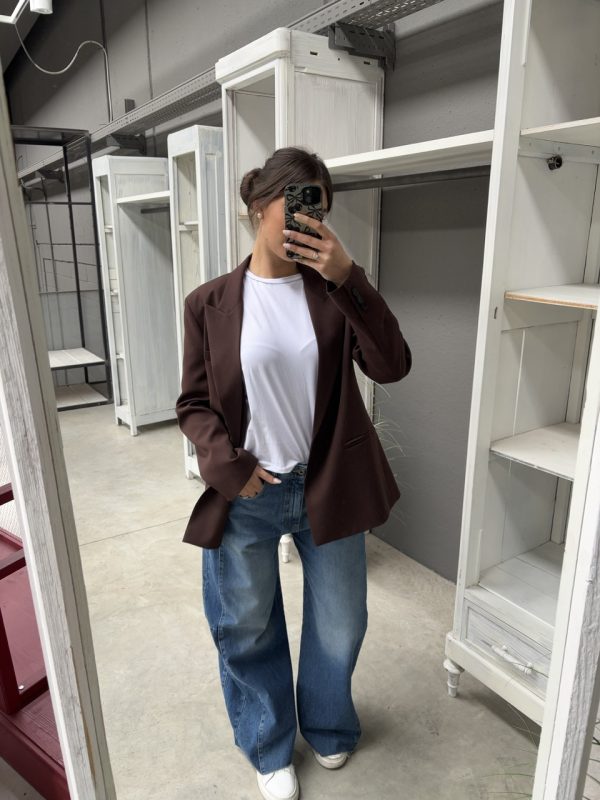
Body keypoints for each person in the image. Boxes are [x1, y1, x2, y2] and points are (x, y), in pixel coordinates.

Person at [175, 146, 411, 800]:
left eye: (319, 211)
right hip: (249, 492)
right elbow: (193, 404)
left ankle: (329, 723)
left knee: (341, 622)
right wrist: (230, 468)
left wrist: (349, 277)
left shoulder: (334, 293)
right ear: (259, 205)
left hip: (329, 484)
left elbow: (391, 365)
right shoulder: (208, 303)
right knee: (246, 626)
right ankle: (269, 742)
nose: (307, 221)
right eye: (296, 203)